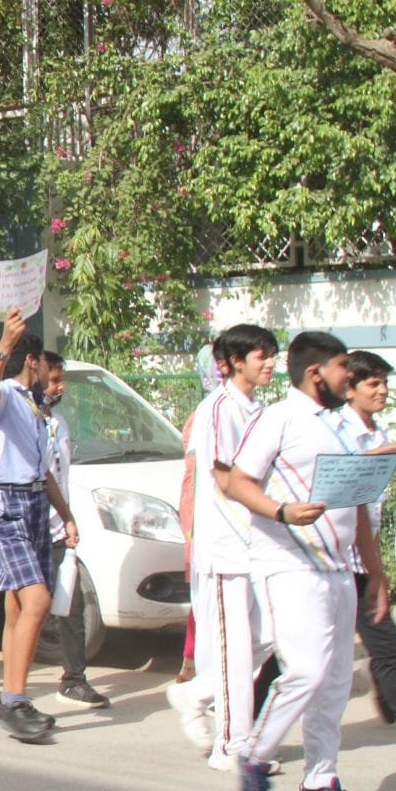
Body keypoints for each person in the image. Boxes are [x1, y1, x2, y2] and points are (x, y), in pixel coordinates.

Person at [223, 331, 385, 791]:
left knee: (334, 682)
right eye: (343, 368)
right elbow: (236, 481)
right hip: (288, 562)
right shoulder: (279, 418)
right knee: (307, 671)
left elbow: (357, 503)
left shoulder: (341, 426)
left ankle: (320, 783)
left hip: (339, 568)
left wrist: (375, 575)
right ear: (316, 373)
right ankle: (255, 755)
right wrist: (282, 510)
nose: (349, 378)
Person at [170, 324, 279, 768]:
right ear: (234, 362)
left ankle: (196, 693)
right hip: (227, 544)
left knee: (271, 634)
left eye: (271, 354)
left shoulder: (260, 410)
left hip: (259, 543)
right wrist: (275, 513)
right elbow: (224, 478)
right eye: (261, 356)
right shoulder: (216, 409)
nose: (270, 363)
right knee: (234, 646)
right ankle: (231, 746)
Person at [0, 308, 80, 742]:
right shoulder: (6, 396)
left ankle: (13, 696)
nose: (53, 378)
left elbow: (43, 471)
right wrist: (4, 345)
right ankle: (12, 702)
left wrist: (66, 515)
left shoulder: (37, 408)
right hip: (5, 502)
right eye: (48, 367)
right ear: (32, 362)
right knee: (37, 600)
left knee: (19, 606)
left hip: (34, 500)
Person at [339, 350, 396, 738]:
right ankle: (246, 735)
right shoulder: (338, 428)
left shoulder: (378, 431)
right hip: (335, 562)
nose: (382, 390)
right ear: (350, 389)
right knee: (301, 663)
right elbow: (342, 471)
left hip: (364, 563)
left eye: (384, 383)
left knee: (388, 651)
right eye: (373, 384)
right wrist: (391, 450)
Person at [40, 353, 112, 709]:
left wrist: (67, 518)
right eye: (54, 380)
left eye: (61, 380)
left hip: (57, 528)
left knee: (71, 602)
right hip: (26, 528)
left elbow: (59, 477)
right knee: (10, 601)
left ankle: (73, 679)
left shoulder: (59, 424)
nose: (60, 387)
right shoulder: (21, 424)